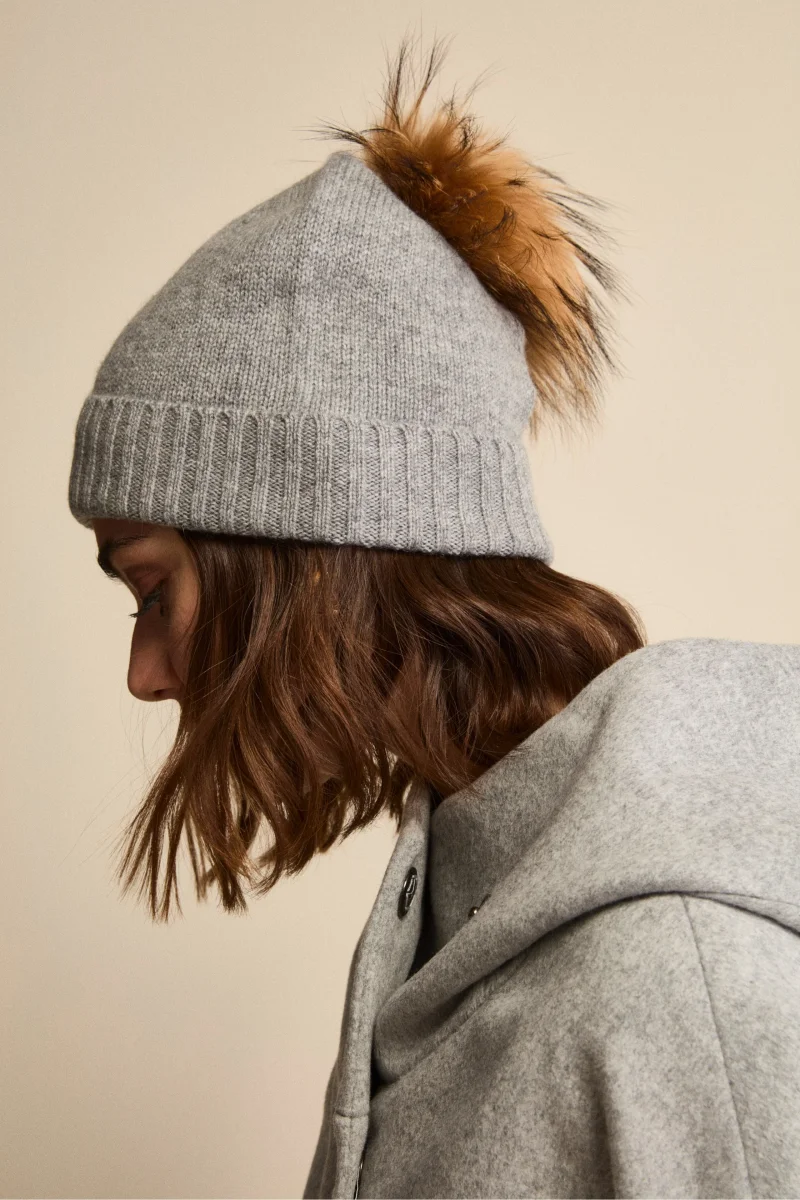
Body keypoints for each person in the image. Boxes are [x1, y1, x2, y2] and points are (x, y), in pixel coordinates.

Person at [68, 35, 800, 1200]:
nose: (143, 672)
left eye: (153, 588)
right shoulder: (473, 908)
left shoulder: (675, 984)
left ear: (311, 545)